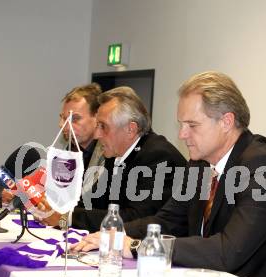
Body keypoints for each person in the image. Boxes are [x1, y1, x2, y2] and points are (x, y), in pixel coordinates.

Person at [74, 71, 266, 277]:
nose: (182, 134)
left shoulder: (263, 168)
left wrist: (136, 246)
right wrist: (111, 234)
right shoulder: (200, 165)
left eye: (192, 125)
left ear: (226, 122)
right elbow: (167, 221)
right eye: (181, 124)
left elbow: (227, 251)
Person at [39, 86, 187, 232]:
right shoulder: (115, 153)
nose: (97, 135)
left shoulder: (159, 156)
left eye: (103, 126)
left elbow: (135, 218)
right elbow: (93, 202)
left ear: (130, 129)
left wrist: (67, 217)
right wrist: (56, 209)